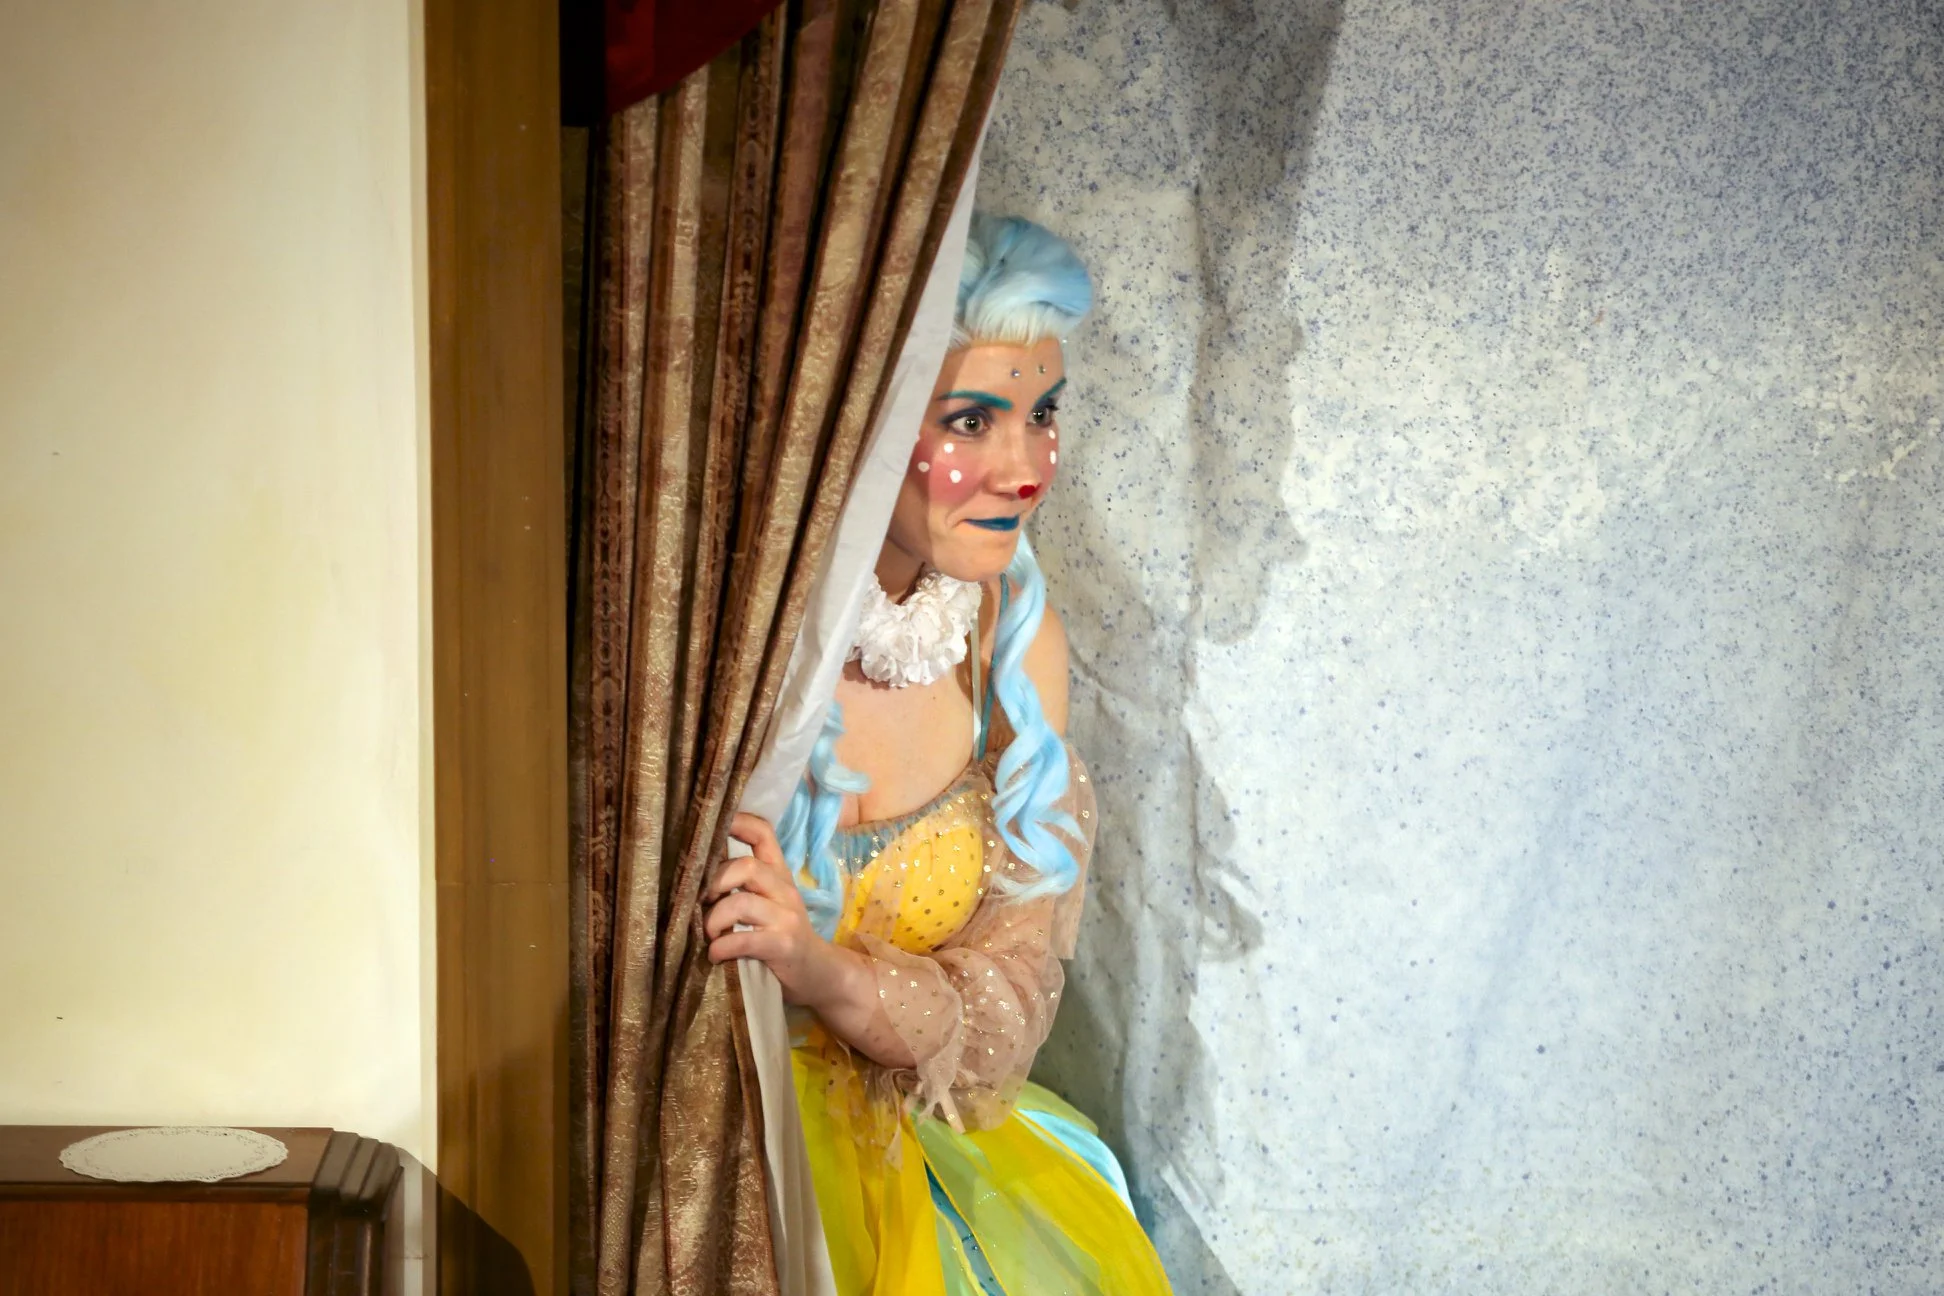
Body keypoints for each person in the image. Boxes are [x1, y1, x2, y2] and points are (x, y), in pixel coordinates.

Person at [703, 214, 1171, 1295]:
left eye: (1042, 414)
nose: (1024, 471)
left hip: (935, 1157)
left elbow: (1006, 1007)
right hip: (735, 1152)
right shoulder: (741, 647)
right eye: (972, 421)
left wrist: (823, 971)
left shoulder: (1012, 639)